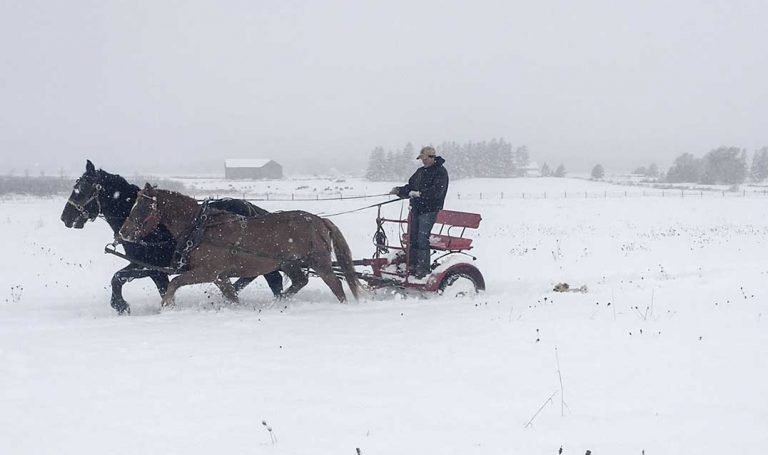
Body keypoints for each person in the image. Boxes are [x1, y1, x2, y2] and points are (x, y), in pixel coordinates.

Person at [389, 146, 449, 278]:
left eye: (425, 158)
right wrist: (399, 190)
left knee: (422, 239)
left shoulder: (440, 172)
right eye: (421, 159)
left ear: (432, 157)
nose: (423, 161)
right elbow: (410, 187)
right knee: (413, 238)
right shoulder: (420, 172)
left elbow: (437, 192)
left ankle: (422, 270)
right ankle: (412, 266)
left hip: (429, 210)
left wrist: (420, 194)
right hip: (416, 209)